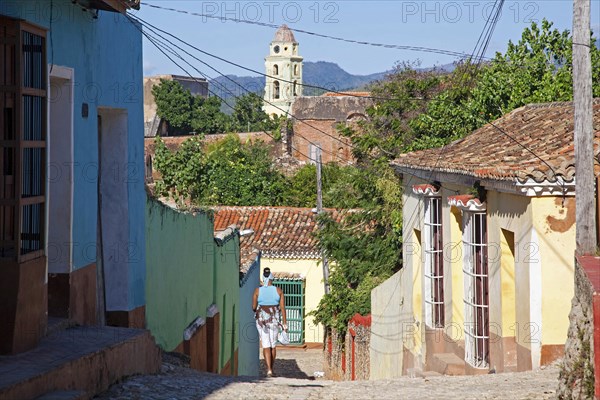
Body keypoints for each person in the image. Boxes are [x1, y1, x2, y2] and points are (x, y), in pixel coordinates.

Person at [252, 267, 287, 377]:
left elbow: (253, 307)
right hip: (274, 320)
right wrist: (285, 323)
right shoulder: (279, 291)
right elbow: (282, 308)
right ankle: (272, 368)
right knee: (273, 345)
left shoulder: (257, 291)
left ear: (263, 278)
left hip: (262, 320)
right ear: (272, 279)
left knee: (266, 344)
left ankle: (268, 370)